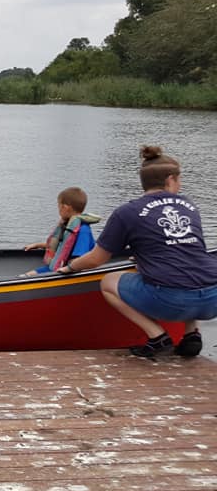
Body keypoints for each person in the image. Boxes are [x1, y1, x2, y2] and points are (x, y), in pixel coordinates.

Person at [58, 145, 217, 359]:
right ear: (170, 180)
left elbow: (96, 259)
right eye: (180, 180)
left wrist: (68, 267)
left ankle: (157, 336)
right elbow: (185, 249)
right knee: (189, 263)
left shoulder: (127, 212)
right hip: (212, 298)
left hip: (172, 301)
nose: (180, 185)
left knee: (108, 282)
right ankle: (191, 336)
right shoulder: (188, 205)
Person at [21, 187, 100, 276]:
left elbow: (78, 258)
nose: (58, 209)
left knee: (25, 278)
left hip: (69, 272)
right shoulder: (68, 225)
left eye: (58, 205)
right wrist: (37, 245)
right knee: (24, 276)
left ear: (64, 207)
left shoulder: (83, 230)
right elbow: (61, 245)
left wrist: (64, 271)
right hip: (58, 267)